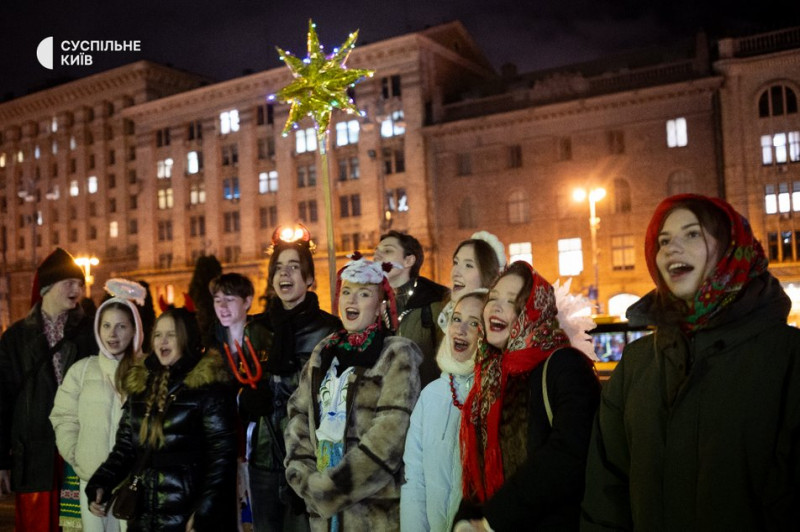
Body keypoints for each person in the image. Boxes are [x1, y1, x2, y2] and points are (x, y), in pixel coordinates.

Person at [581, 194, 800, 530]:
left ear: (729, 247)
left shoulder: (788, 357)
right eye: (663, 240)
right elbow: (606, 492)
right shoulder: (637, 364)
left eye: (692, 234)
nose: (671, 248)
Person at [455, 261, 600, 532]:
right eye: (493, 298)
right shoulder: (489, 378)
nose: (495, 307)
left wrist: (492, 520)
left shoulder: (564, 365)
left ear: (534, 312)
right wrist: (466, 519)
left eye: (511, 302)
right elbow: (479, 470)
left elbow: (568, 455)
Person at [284, 253, 423, 532]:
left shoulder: (396, 353)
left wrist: (327, 490)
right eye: (346, 292)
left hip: (372, 512)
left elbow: (389, 438)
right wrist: (303, 477)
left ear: (381, 304)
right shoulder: (323, 352)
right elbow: (298, 416)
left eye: (363, 294)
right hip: (322, 515)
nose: (351, 300)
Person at [85, 308, 239, 531]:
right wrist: (101, 483)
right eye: (158, 334)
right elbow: (125, 448)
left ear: (187, 338)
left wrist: (206, 510)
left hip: (186, 514)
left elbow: (222, 458)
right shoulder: (140, 386)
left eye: (172, 334)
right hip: (143, 513)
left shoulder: (209, 388)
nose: (162, 341)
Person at [237, 226, 341, 532]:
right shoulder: (255, 330)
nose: (285, 275)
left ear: (309, 278)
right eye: (279, 268)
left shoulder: (330, 331)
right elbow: (238, 387)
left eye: (294, 267)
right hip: (265, 462)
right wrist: (245, 400)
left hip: (309, 461)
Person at [0, 247, 96, 532]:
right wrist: (2, 461)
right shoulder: (16, 338)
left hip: (75, 455)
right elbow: (2, 401)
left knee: (73, 524)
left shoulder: (89, 332)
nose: (77, 289)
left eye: (79, 283)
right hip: (33, 456)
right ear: (47, 288)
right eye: (69, 282)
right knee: (36, 525)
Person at [50, 279, 146, 532]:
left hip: (135, 484)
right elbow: (63, 417)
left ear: (135, 329)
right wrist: (77, 456)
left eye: (121, 326)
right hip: (92, 482)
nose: (112, 334)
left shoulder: (148, 372)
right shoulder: (81, 371)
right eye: (106, 326)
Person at [401, 289, 487, 532]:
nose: (460, 329)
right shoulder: (431, 395)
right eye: (457, 319)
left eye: (474, 323)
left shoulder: (495, 394)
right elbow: (414, 479)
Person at [373, 230, 449, 387]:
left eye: (387, 251)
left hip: (425, 401)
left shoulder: (435, 304)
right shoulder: (374, 305)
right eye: (376, 252)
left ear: (408, 261)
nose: (377, 257)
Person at [437, 231, 505, 332]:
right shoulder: (444, 314)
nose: (455, 272)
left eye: (468, 265)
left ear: (486, 274)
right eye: (456, 263)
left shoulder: (493, 325)